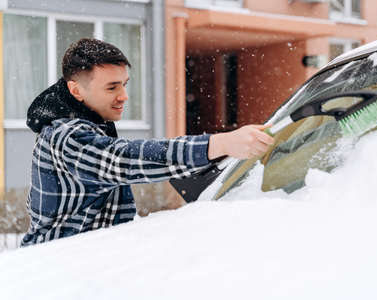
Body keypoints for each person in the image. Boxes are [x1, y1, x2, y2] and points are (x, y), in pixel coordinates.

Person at [21, 38, 274, 246]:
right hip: (59, 271)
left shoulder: (88, 124)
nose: (124, 96)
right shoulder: (66, 136)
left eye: (124, 84)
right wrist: (219, 144)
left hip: (88, 264)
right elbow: (123, 160)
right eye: (112, 88)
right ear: (76, 90)